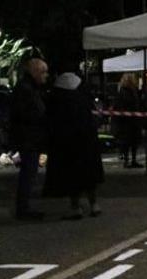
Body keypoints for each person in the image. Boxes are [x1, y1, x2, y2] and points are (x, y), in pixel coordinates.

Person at [43, 72, 104, 219]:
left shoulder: (56, 99)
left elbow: (51, 122)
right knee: (89, 176)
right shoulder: (83, 98)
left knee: (72, 177)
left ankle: (75, 207)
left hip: (67, 144)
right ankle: (94, 204)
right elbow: (94, 117)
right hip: (87, 142)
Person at [10, 57, 49, 220]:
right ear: (35, 72)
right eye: (43, 72)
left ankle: (24, 207)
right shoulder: (26, 89)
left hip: (29, 137)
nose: (45, 76)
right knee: (28, 174)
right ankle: (23, 209)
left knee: (29, 174)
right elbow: (28, 114)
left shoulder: (28, 88)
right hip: (28, 138)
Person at [115, 73, 143, 168]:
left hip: (133, 120)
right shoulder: (123, 91)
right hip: (126, 121)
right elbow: (121, 106)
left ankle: (133, 160)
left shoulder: (133, 91)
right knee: (127, 142)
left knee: (134, 142)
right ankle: (127, 160)